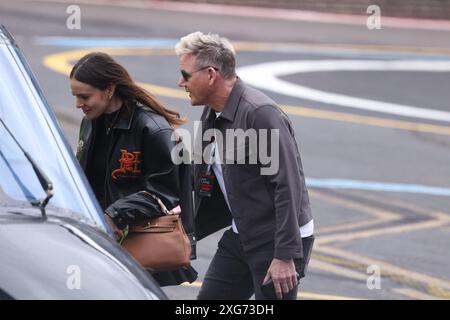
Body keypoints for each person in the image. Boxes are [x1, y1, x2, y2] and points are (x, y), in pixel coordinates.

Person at [175, 32, 314, 300]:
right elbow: (200, 171)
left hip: (278, 237)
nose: (180, 82)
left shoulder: (260, 113)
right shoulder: (213, 111)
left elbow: (287, 186)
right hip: (243, 232)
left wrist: (285, 255)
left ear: (211, 75)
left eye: (186, 75)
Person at [71, 52, 197, 286]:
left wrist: (115, 216)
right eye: (75, 96)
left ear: (109, 89)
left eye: (84, 96)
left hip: (139, 241)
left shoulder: (153, 129)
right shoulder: (90, 122)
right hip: (99, 238)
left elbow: (165, 194)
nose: (78, 104)